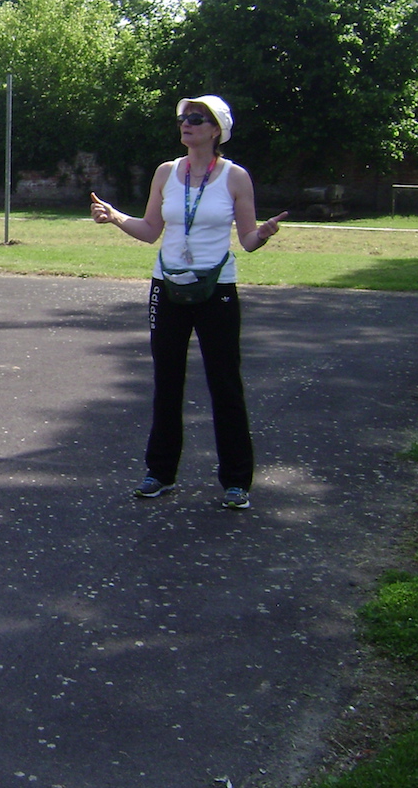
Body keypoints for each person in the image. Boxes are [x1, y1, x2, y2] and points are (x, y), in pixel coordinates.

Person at [90, 95, 286, 509]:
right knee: (167, 380)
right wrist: (115, 217)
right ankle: (160, 473)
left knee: (224, 382)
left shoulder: (235, 177)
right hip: (168, 286)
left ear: (216, 130)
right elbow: (150, 230)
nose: (187, 123)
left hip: (217, 289)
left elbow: (248, 240)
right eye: (183, 117)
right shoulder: (166, 172)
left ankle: (236, 482)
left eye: (197, 118)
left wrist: (264, 233)